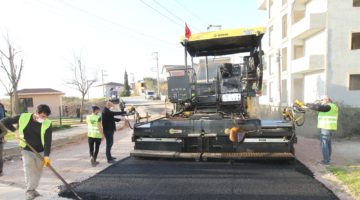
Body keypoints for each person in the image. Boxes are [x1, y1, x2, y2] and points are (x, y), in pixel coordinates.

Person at [1, 104, 53, 200]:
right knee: (29, 168)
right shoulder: (23, 117)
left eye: (46, 117)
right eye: (43, 116)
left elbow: (48, 141)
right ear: (36, 113)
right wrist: (14, 130)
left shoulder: (48, 123)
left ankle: (33, 189)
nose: (44, 119)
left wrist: (46, 156)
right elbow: (4, 121)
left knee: (38, 171)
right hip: (26, 148)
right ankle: (29, 191)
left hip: (40, 150)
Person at [297, 95, 339, 165]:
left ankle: (326, 161)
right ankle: (328, 159)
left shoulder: (328, 106)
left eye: (322, 100)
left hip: (326, 127)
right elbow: (318, 106)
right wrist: (308, 104)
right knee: (328, 144)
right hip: (330, 127)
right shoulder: (333, 106)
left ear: (326, 100)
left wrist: (306, 104)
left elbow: (318, 107)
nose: (321, 102)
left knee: (324, 144)